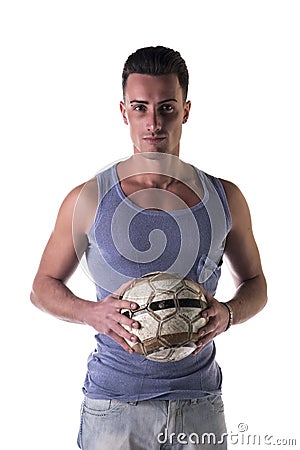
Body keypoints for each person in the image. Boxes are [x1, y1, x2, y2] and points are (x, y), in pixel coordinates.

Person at [30, 46, 267, 450]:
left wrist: (227, 314)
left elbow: (256, 283)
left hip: (199, 402)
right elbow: (42, 287)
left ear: (186, 111)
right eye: (140, 108)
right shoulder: (89, 199)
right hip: (114, 404)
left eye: (167, 108)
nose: (153, 122)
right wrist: (90, 312)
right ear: (123, 112)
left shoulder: (224, 197)